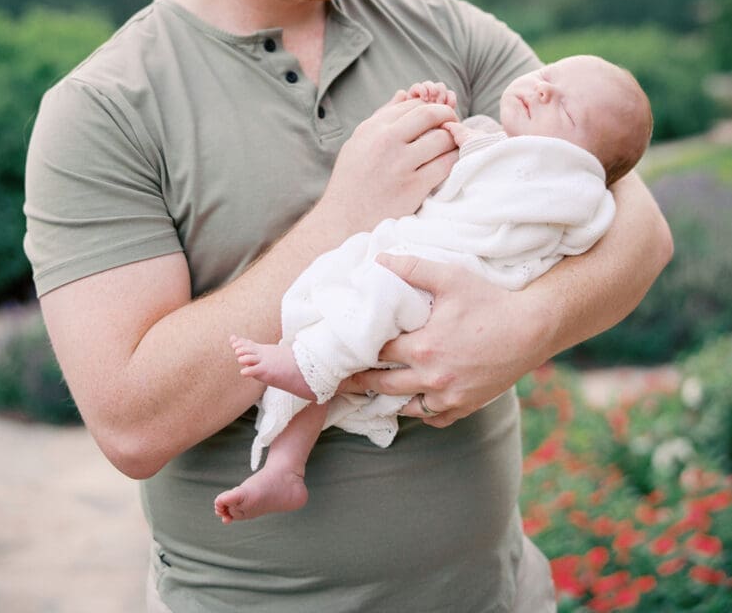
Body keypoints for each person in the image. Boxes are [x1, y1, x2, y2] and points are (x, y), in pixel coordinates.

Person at [23, 0, 672, 613]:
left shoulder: (450, 33)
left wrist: (523, 330)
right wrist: (342, 220)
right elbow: (131, 421)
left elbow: (637, 226)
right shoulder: (101, 112)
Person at [215, 56, 653, 524]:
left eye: (566, 111)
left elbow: (533, 190)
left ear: (586, 161)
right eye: (547, 75)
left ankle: (309, 367)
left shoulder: (569, 185)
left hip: (447, 296)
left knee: (370, 300)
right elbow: (474, 164)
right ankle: (286, 466)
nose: (544, 90)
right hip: (420, 284)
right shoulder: (502, 143)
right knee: (334, 342)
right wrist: (434, 117)